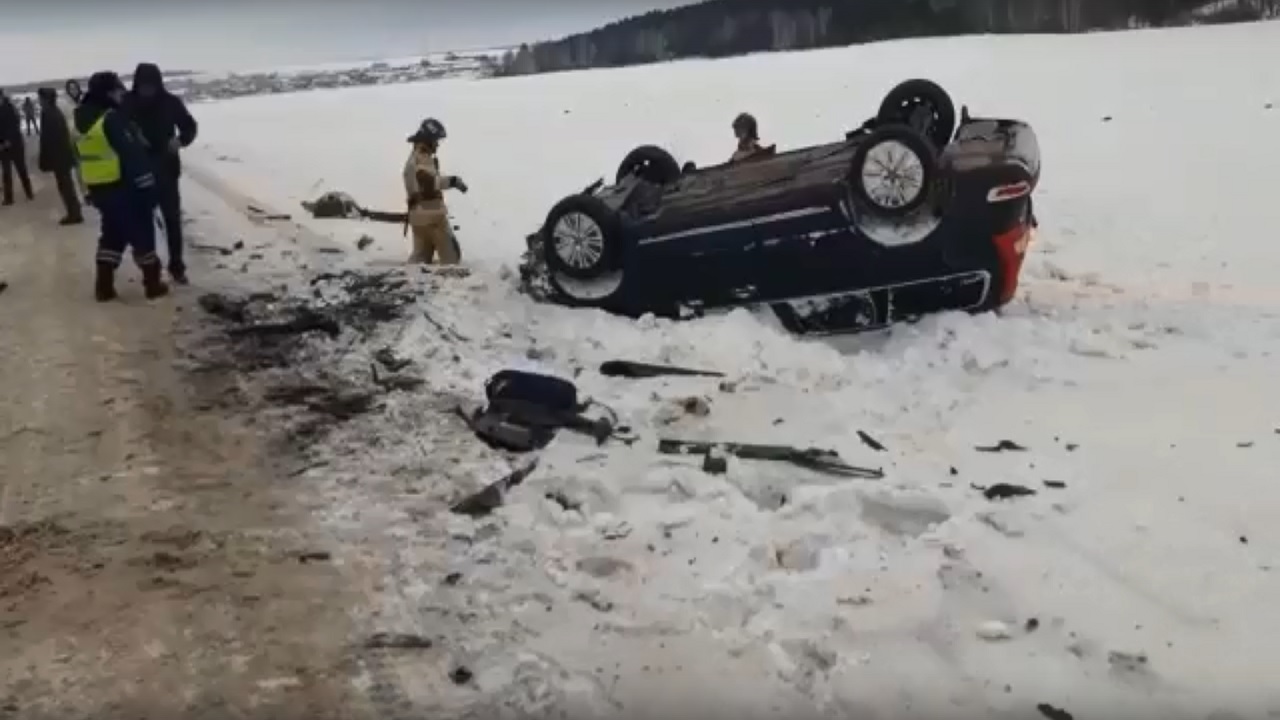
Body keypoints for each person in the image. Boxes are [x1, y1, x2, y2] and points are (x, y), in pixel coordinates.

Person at [74, 71, 168, 301]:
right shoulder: (111, 119)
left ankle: (103, 288)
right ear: (108, 93)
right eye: (119, 90)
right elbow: (132, 155)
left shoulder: (80, 121)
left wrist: (86, 190)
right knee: (143, 235)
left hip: (99, 189)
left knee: (112, 235)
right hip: (126, 189)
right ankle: (152, 285)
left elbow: (78, 159)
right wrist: (149, 188)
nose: (122, 94)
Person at [122, 62, 198, 285]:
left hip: (167, 169)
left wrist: (181, 140)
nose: (148, 91)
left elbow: (189, 126)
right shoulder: (127, 103)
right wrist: (133, 138)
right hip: (138, 171)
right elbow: (116, 129)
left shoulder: (171, 103)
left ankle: (177, 267)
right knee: (142, 224)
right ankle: (150, 269)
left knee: (172, 220)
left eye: (151, 86)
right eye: (144, 86)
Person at [403, 117, 467, 265]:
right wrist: (453, 181)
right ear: (428, 138)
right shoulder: (422, 156)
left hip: (417, 218)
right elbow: (428, 183)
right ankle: (450, 287)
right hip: (433, 216)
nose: (437, 144)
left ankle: (413, 285)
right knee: (451, 259)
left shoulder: (413, 157)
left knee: (420, 260)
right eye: (436, 140)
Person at [37, 88, 84, 225]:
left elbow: (50, 139)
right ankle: (74, 212)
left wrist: (46, 158)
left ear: (45, 99)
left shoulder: (49, 114)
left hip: (60, 157)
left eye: (40, 98)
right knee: (66, 185)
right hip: (62, 156)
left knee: (66, 186)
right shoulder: (53, 112)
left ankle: (74, 214)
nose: (39, 101)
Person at [0, 92, 35, 206]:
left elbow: (15, 125)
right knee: (6, 173)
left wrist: (9, 140)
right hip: (3, 147)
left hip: (15, 145)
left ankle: (29, 192)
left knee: (21, 169)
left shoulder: (10, 107)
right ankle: (8, 198)